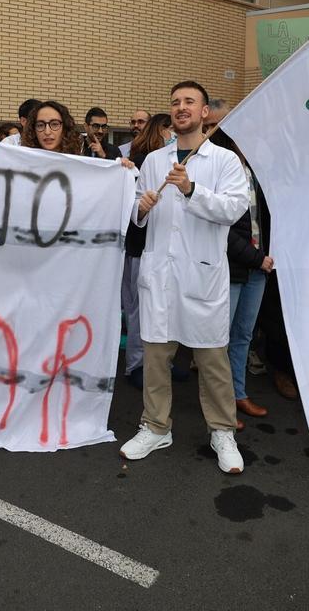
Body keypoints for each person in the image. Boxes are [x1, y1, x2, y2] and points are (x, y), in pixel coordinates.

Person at [119, 81, 249, 474]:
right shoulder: (155, 161)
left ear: (204, 111)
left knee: (212, 360)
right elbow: (136, 213)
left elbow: (234, 208)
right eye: (175, 102)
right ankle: (156, 426)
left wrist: (192, 190)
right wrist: (139, 208)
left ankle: (222, 431)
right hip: (160, 275)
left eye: (189, 102)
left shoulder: (224, 160)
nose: (181, 108)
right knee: (156, 358)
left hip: (201, 275)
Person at [214, 129, 275, 425]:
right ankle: (220, 406)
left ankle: (238, 394)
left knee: (243, 337)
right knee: (219, 341)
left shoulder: (259, 174)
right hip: (235, 267)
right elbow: (221, 230)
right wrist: (258, 258)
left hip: (259, 269)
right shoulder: (222, 172)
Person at [122, 114, 172, 388]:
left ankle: (159, 364)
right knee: (140, 311)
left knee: (159, 310)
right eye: (170, 131)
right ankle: (135, 365)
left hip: (155, 248)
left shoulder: (167, 162)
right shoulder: (143, 162)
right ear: (162, 131)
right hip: (139, 247)